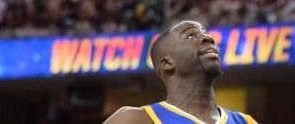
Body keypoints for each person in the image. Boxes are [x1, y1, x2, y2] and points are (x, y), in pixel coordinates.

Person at [103, 20, 258, 124]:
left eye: (205, 32)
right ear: (167, 63)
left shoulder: (246, 121)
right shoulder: (134, 119)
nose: (208, 38)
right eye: (191, 35)